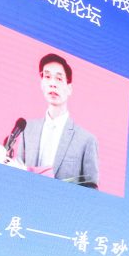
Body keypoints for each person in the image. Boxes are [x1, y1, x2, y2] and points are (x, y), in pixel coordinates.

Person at [19, 53, 99, 188]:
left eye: (59, 78)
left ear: (69, 88)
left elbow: (91, 189)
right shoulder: (27, 130)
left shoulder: (86, 140)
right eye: (47, 77)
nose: (52, 84)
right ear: (41, 83)